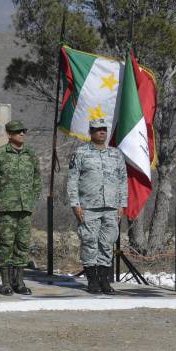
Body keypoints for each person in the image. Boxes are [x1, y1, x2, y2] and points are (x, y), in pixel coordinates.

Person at [67, 117, 127, 294]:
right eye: (97, 129)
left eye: (104, 129)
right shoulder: (80, 153)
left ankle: (104, 281)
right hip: (88, 206)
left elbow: (123, 180)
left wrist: (122, 204)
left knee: (107, 244)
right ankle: (92, 281)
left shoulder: (116, 154)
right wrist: (75, 204)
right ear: (91, 132)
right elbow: (72, 180)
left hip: (111, 206)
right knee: (89, 242)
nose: (102, 132)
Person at [0, 120, 42, 296]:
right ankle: (6, 283)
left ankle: (19, 282)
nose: (22, 134)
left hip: (25, 208)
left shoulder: (30, 154)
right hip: (6, 208)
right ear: (9, 134)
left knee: (22, 245)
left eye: (23, 131)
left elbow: (37, 178)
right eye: (18, 132)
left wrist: (33, 199)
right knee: (6, 245)